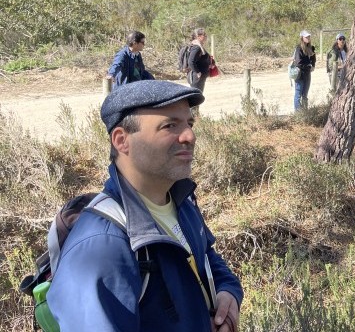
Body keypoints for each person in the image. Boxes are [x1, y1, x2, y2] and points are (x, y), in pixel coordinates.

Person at [47, 80, 243, 331]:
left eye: (189, 123)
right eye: (169, 125)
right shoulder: (103, 247)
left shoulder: (180, 199)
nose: (189, 136)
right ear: (121, 140)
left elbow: (205, 257)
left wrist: (228, 291)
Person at [293, 30, 316, 110]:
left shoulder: (311, 48)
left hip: (307, 74)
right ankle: (298, 113)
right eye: (306, 37)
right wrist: (308, 66)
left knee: (305, 94)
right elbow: (298, 63)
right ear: (302, 38)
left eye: (309, 36)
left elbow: (313, 58)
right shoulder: (299, 48)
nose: (308, 38)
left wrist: (313, 65)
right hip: (300, 75)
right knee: (298, 94)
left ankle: (305, 112)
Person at [188, 28, 212, 94]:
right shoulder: (197, 47)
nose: (206, 37)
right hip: (197, 77)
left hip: (199, 76)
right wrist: (198, 72)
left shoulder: (199, 46)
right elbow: (191, 61)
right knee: (196, 97)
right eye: (204, 35)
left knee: (198, 96)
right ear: (198, 36)